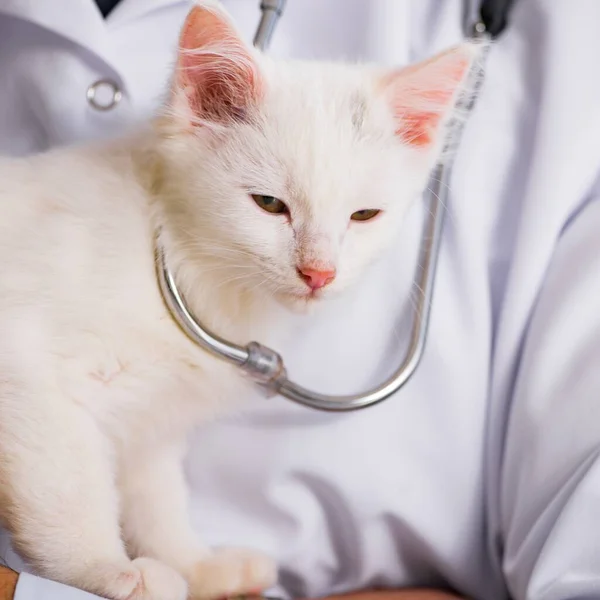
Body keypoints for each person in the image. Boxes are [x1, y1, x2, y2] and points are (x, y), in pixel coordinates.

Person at [2, 0, 600, 599]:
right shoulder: (98, 230)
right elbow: (31, 388)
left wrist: (182, 560)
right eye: (271, 205)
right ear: (204, 111)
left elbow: (141, 432)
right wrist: (89, 571)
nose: (320, 265)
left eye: (362, 215)